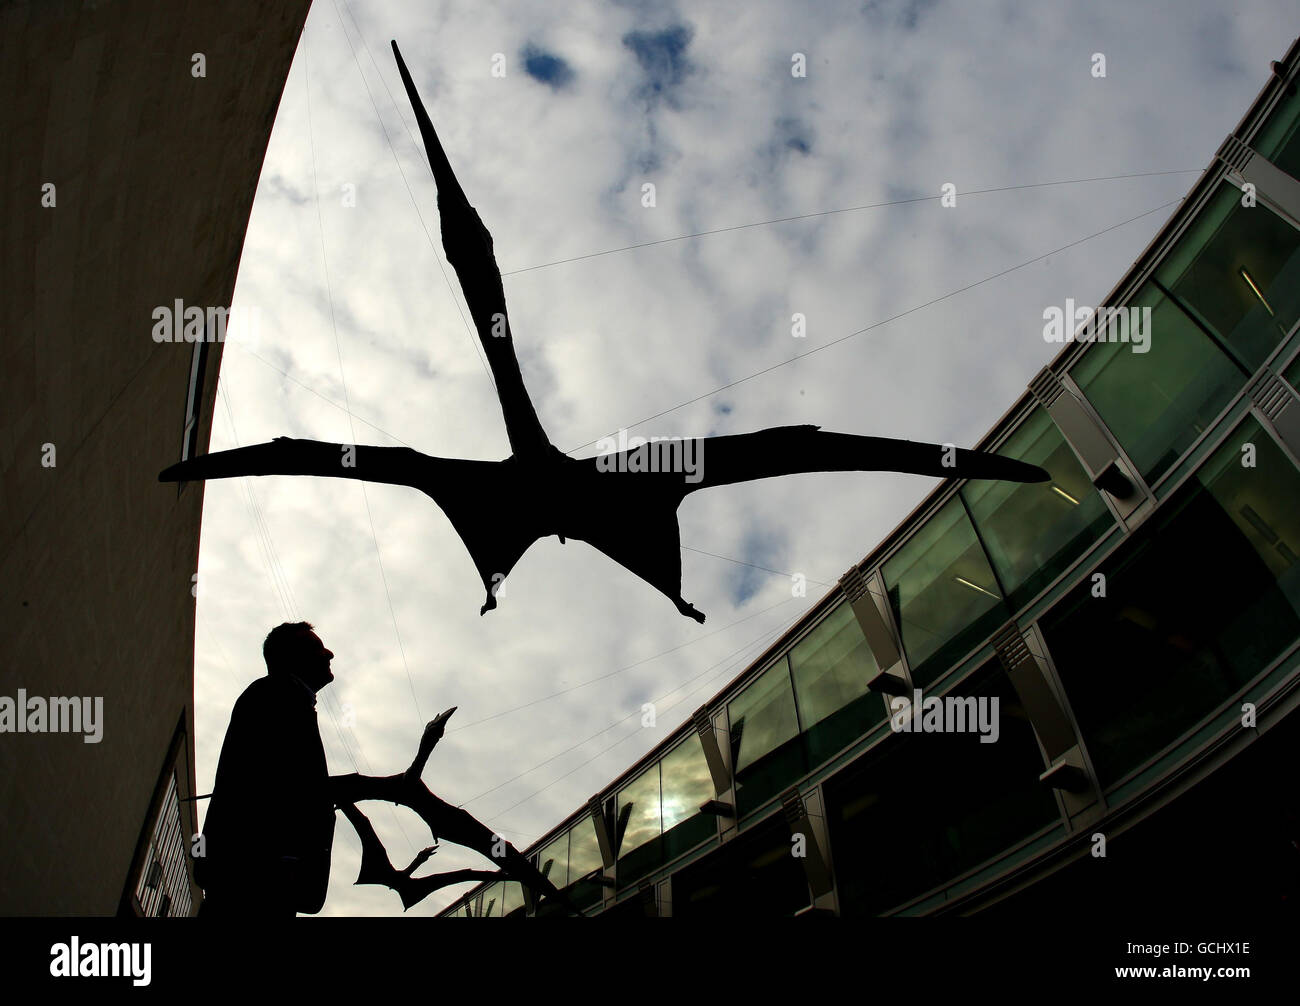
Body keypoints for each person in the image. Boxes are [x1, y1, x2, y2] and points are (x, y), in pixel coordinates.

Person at [196, 622, 337, 916]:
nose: (329, 654)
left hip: (263, 887)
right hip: (253, 889)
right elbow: (280, 791)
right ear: (293, 657)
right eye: (317, 648)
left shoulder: (284, 699)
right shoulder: (275, 696)